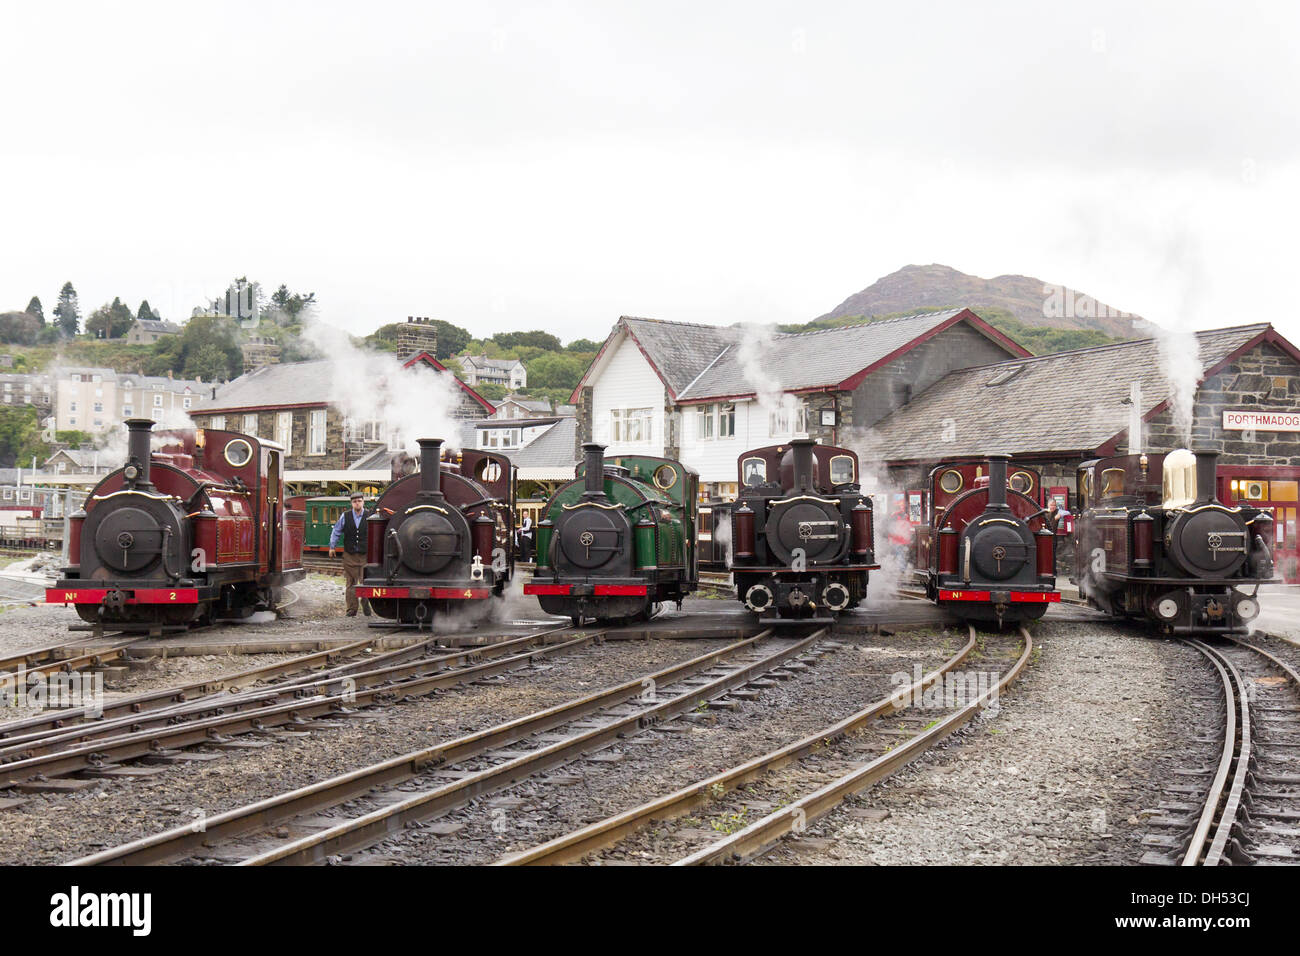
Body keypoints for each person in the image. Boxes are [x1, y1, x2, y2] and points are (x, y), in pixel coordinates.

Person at [329, 492, 372, 617]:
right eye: (354, 501)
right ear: (351, 503)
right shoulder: (345, 516)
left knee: (366, 581)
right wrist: (332, 546)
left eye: (359, 501)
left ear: (363, 502)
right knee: (351, 583)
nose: (357, 503)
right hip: (350, 554)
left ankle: (365, 603)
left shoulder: (370, 515)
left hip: (366, 555)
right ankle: (351, 609)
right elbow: (336, 530)